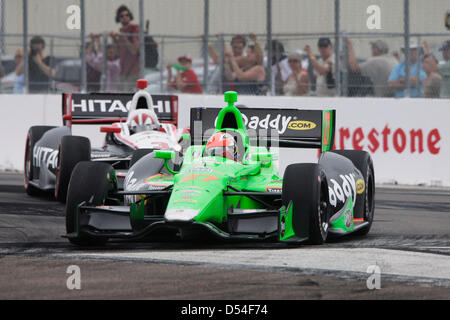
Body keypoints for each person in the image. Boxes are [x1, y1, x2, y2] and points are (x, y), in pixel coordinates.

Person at [110, 5, 140, 92]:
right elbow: (118, 53)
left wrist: (124, 36)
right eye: (122, 16)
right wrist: (114, 38)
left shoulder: (134, 29)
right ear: (118, 18)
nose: (125, 18)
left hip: (134, 71)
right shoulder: (121, 31)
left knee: (130, 97)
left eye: (127, 15)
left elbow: (134, 50)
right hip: (123, 72)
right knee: (120, 95)